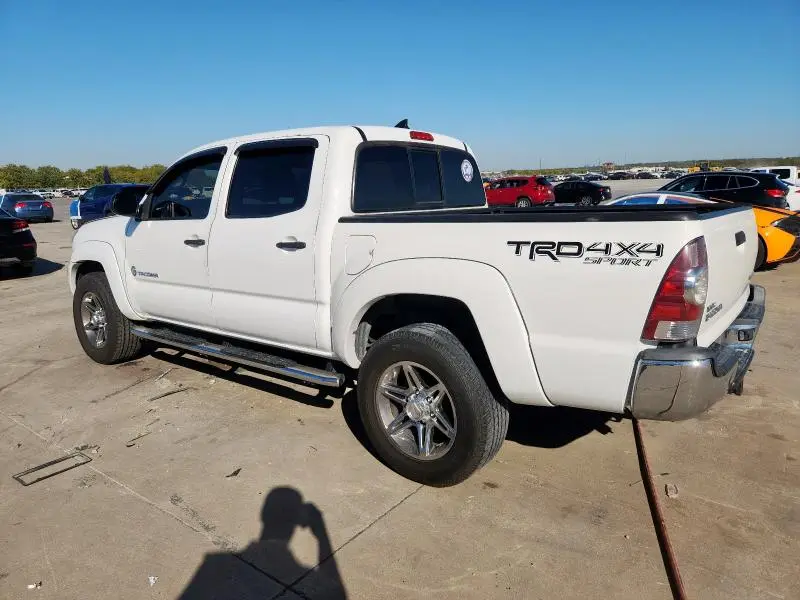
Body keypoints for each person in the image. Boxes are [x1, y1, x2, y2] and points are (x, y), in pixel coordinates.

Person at [179, 487, 346, 599]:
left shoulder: (214, 564)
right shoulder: (304, 574)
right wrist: (322, 535)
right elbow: (337, 593)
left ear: (263, 516)